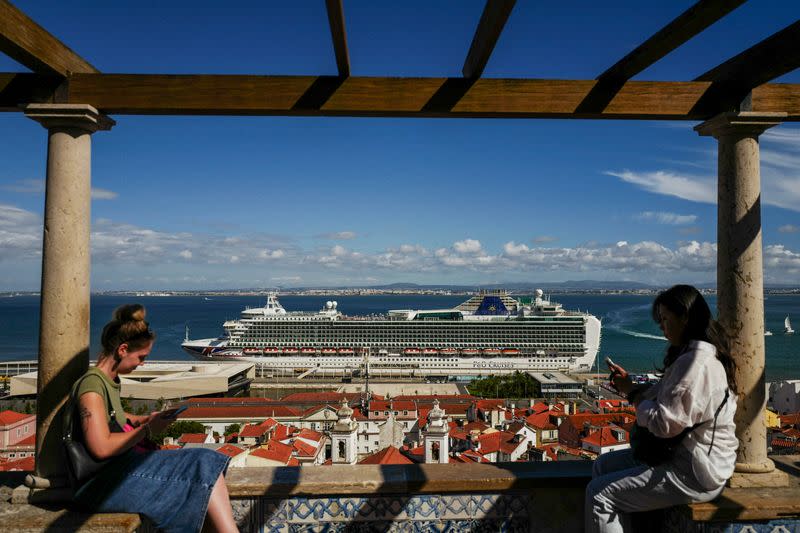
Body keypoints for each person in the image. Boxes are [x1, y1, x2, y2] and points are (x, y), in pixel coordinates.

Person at [68, 304, 238, 533]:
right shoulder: (92, 386)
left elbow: (112, 416)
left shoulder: (108, 380)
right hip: (100, 484)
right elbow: (100, 447)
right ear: (123, 349)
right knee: (203, 462)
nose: (143, 364)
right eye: (141, 357)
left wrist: (142, 419)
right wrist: (148, 430)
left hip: (117, 473)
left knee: (205, 463)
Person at [585, 284, 738, 533]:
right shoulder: (690, 356)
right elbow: (667, 397)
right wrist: (631, 386)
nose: (661, 327)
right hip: (685, 458)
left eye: (666, 319)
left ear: (685, 319)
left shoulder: (695, 365)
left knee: (600, 495)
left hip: (695, 471)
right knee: (602, 466)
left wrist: (633, 394)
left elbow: (664, 425)